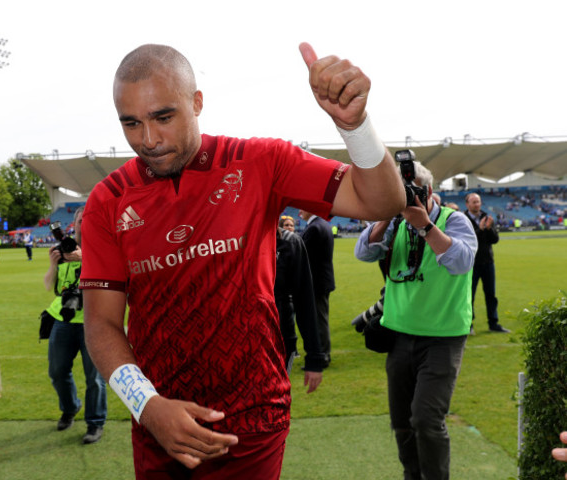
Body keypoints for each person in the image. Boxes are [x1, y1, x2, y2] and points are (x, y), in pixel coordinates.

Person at [79, 42, 405, 479]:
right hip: (160, 423)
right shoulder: (109, 200)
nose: (149, 140)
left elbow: (382, 201)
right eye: (131, 124)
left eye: (163, 117)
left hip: (253, 419)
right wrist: (148, 406)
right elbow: (100, 324)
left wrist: (356, 127)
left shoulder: (258, 162)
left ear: (197, 102)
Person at [355, 161, 477, 480]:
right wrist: (386, 214)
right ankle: (412, 475)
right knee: (401, 421)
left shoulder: (455, 220)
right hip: (399, 334)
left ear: (429, 192)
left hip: (443, 336)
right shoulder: (394, 224)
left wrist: (425, 226)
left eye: (409, 193)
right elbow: (363, 252)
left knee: (425, 417)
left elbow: (462, 261)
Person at [43, 207, 107, 444]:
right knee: (57, 371)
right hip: (63, 319)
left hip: (94, 319)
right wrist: (52, 265)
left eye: (88, 219)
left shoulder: (104, 245)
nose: (83, 224)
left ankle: (95, 422)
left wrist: (85, 259)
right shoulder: (64, 249)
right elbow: (49, 286)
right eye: (80, 220)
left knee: (95, 378)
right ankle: (70, 407)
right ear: (75, 223)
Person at [275, 223, 325, 391]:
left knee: (274, 405)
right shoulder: (230, 242)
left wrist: (314, 358)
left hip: (279, 343)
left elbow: (304, 302)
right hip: (235, 343)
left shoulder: (290, 243)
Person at [464, 192, 510, 333]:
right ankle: (468, 325)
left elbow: (494, 240)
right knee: (469, 295)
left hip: (488, 262)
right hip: (471, 264)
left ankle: (493, 323)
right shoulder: (463, 219)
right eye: (474, 202)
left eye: (478, 201)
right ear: (467, 204)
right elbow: (466, 240)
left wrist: (489, 229)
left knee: (491, 295)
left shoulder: (487, 217)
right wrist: (481, 229)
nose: (477, 204)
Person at [299, 209, 335, 368]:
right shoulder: (323, 224)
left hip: (316, 282)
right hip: (322, 280)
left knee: (318, 320)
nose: (299, 211)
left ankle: (322, 356)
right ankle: (323, 354)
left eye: (302, 207)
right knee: (321, 318)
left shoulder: (314, 227)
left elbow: (303, 255)